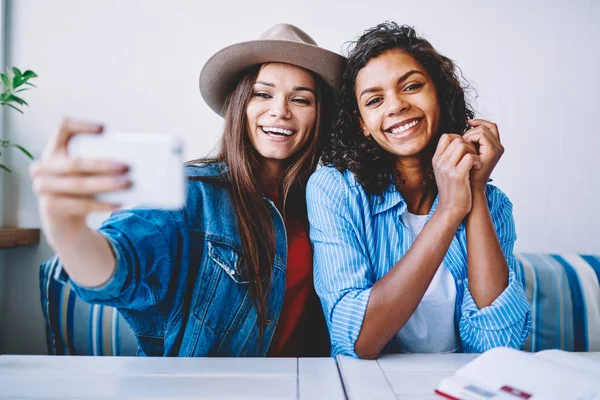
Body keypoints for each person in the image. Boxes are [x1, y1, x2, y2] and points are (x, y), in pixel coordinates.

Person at [30, 23, 346, 357]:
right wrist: (66, 228)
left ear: (318, 115)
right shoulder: (192, 193)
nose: (280, 110)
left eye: (300, 99)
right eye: (263, 94)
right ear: (239, 105)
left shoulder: (328, 203)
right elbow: (118, 268)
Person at [306, 22, 532, 359]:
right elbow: (359, 342)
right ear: (362, 124)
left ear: (440, 94)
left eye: (411, 86)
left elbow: (496, 347)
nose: (395, 106)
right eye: (375, 100)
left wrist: (475, 190)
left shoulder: (493, 205)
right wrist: (448, 211)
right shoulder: (336, 191)